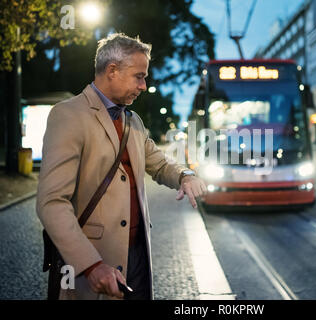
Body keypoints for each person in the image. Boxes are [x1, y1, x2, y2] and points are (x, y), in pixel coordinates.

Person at [36, 33, 207, 300]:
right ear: (112, 70)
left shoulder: (133, 121)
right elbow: (52, 203)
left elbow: (159, 163)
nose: (143, 85)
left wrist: (185, 174)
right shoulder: (68, 115)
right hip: (94, 261)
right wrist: (91, 265)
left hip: (138, 256)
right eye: (139, 76)